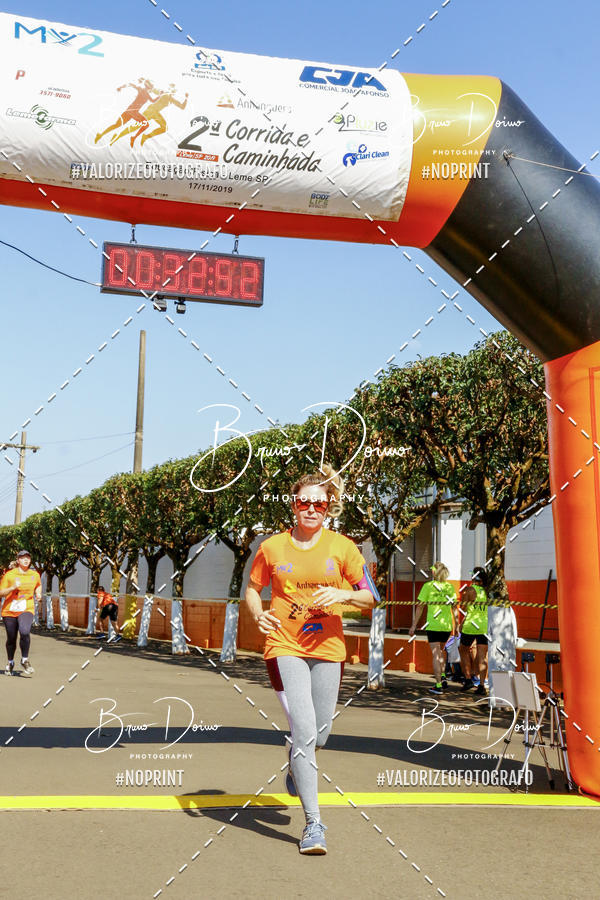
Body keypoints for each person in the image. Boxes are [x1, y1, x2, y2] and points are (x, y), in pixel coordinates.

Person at [244, 465, 375, 855]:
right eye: (305, 502)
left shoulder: (343, 548)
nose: (312, 509)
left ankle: (294, 761)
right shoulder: (272, 547)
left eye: (319, 503)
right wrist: (257, 613)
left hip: (329, 650)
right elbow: (252, 589)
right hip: (285, 646)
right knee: (303, 732)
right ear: (294, 505)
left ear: (328, 506)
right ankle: (314, 825)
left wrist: (343, 595)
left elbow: (371, 597)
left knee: (319, 735)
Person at [408, 562, 457, 694]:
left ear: (435, 572)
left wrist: (413, 625)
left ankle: (438, 685)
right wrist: (457, 625)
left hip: (433, 625)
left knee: (436, 654)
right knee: (441, 652)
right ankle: (443, 676)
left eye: (432, 570)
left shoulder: (428, 586)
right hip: (446, 625)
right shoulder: (450, 587)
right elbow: (454, 608)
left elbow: (420, 607)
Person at [0, 550, 42, 675]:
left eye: (28, 557)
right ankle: (10, 662)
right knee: (11, 638)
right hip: (9, 610)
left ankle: (25, 660)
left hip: (26, 608)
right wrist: (12, 587)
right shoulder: (9, 575)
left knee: (24, 631)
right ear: (18, 560)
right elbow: (1, 593)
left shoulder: (34, 574)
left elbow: (38, 585)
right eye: (23, 558)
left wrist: (38, 594)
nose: (25, 560)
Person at [458, 567, 489, 695]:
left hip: (471, 625)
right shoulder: (488, 591)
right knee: (483, 656)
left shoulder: (470, 590)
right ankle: (482, 685)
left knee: (463, 650)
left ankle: (468, 679)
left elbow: (463, 607)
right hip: (484, 625)